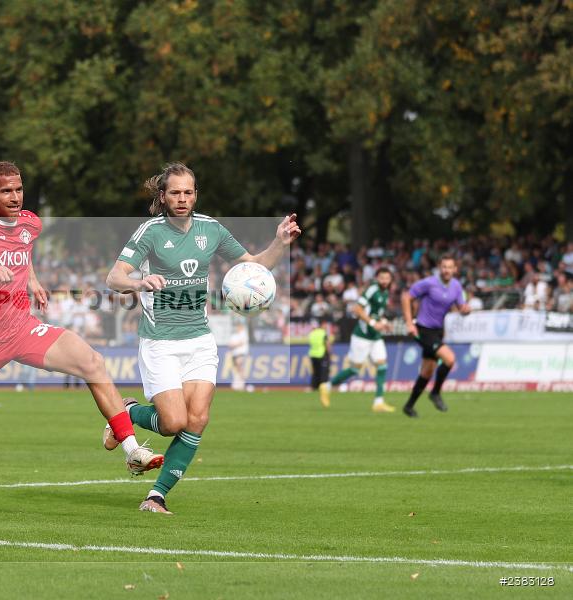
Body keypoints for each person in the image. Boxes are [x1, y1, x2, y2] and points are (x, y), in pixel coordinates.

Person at [0, 161, 161, 515]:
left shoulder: (30, 222)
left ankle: (131, 450)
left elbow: (23, 253)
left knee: (92, 362)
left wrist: (32, 280)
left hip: (22, 328)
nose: (15, 197)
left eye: (19, 189)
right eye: (6, 191)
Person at [105, 162, 301, 514]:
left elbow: (252, 267)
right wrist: (138, 282)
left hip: (199, 341)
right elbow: (114, 277)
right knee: (173, 423)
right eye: (175, 192)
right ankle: (128, 411)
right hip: (160, 341)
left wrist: (279, 242)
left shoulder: (211, 230)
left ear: (195, 195)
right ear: (163, 196)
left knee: (197, 420)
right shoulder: (150, 231)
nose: (182, 198)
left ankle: (156, 496)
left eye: (188, 192)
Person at [401, 254, 471, 418]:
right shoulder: (429, 283)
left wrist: (466, 311)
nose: (446, 270)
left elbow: (461, 307)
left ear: (455, 269)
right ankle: (435, 393)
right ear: (440, 268)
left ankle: (409, 406)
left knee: (427, 372)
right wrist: (409, 323)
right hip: (423, 330)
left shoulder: (456, 286)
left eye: (449, 267)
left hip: (438, 331)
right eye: (444, 266)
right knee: (450, 359)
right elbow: (406, 297)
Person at [319, 267, 397, 412]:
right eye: (382, 278)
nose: (385, 281)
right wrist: (374, 324)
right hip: (362, 336)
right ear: (376, 278)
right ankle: (327, 386)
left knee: (382, 366)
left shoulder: (385, 292)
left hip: (375, 337)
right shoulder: (372, 290)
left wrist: (384, 323)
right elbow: (357, 309)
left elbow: (375, 314)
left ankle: (378, 402)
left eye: (387, 278)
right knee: (355, 369)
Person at [307, 320, 330, 393]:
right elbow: (327, 344)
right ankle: (323, 387)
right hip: (321, 354)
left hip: (313, 355)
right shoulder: (323, 333)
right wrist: (329, 353)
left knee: (315, 372)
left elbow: (310, 343)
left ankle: (313, 387)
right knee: (323, 372)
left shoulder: (312, 333)